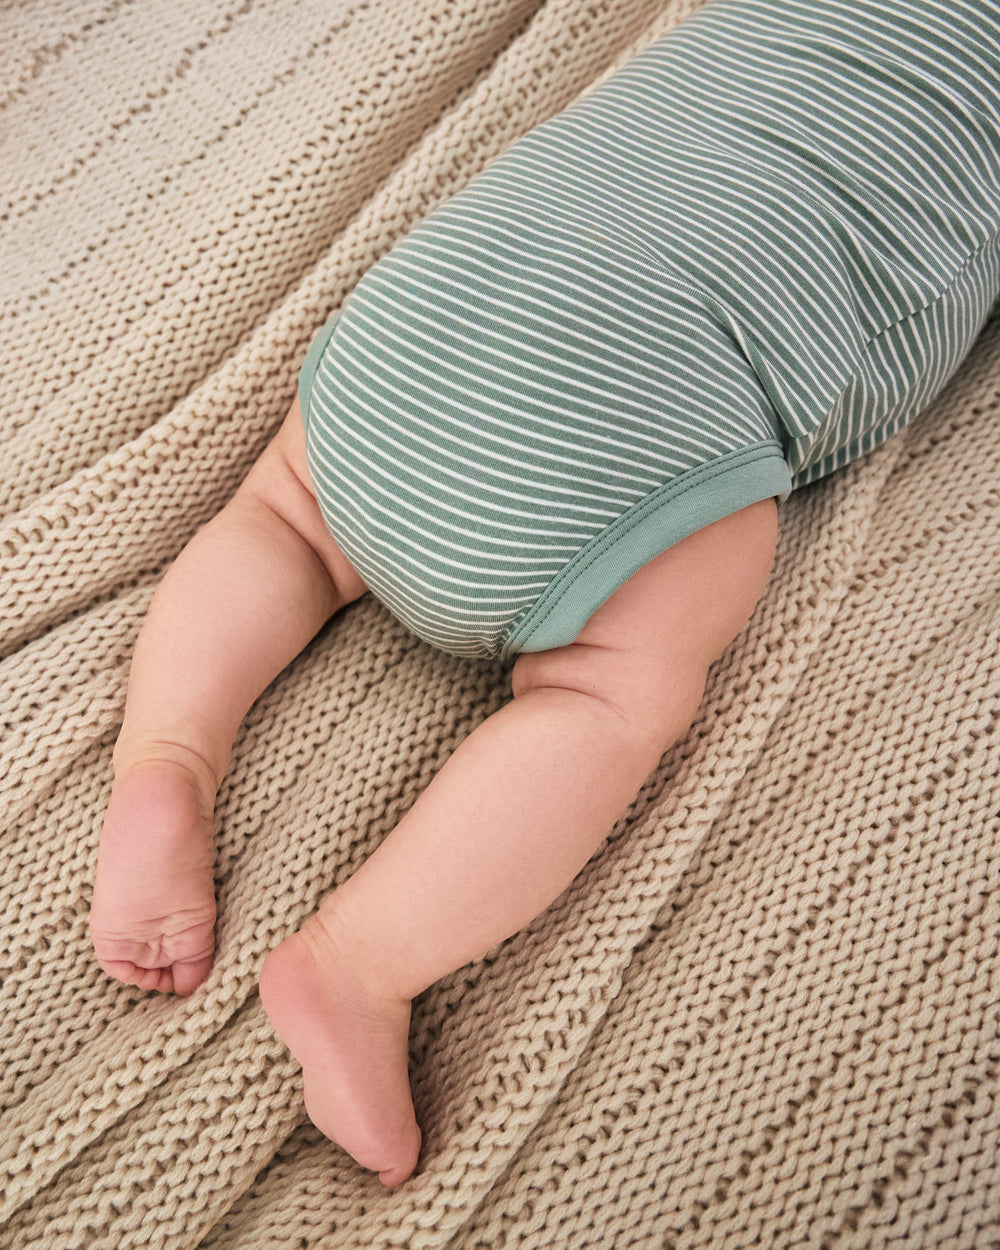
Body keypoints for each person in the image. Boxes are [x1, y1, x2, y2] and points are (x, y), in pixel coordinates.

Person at [89, 0, 1000, 1188]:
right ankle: (358, 961)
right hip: (638, 406)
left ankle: (167, 756)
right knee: (606, 693)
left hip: (443, 300)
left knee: (282, 521)